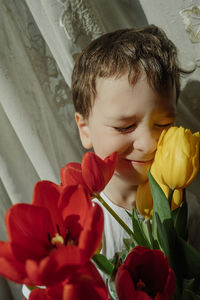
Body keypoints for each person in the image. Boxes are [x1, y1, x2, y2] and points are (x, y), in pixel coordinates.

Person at [72, 25, 200, 260]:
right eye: (124, 126)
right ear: (85, 130)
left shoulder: (187, 208)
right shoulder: (74, 221)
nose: (149, 143)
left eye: (163, 124)